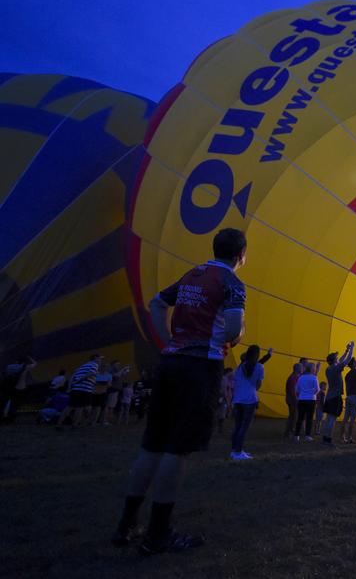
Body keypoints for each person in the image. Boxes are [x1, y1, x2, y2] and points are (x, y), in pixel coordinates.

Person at [112, 227, 247, 554]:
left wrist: (166, 341)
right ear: (241, 255)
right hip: (200, 368)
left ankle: (126, 525)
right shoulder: (231, 282)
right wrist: (234, 335)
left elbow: (158, 302)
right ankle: (158, 534)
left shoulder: (192, 275)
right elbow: (232, 329)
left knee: (152, 445)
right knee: (177, 450)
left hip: (171, 362)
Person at [230, 345, 264, 460]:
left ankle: (234, 450)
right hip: (250, 399)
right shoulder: (259, 367)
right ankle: (238, 452)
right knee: (244, 427)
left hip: (238, 399)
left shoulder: (239, 367)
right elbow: (258, 384)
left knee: (238, 426)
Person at [57, 354, 102, 429]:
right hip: (85, 389)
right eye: (99, 358)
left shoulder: (82, 366)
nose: (100, 360)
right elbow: (90, 374)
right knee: (80, 407)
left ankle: (59, 424)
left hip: (75, 389)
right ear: (95, 358)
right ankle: (75, 425)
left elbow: (72, 377)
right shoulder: (94, 364)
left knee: (69, 406)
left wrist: (70, 387)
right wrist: (80, 380)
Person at [322, 342, 354, 446]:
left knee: (328, 418)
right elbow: (348, 359)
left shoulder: (328, 369)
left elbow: (340, 360)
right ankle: (329, 439)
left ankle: (325, 437)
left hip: (329, 396)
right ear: (334, 360)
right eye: (336, 357)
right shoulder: (336, 369)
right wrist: (352, 348)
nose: (338, 358)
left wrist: (346, 350)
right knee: (332, 419)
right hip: (335, 397)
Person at [1, 355, 36, 424]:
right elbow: (35, 364)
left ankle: (4, 417)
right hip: (19, 388)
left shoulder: (9, 366)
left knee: (6, 403)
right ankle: (10, 418)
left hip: (8, 387)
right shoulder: (25, 367)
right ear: (23, 362)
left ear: (16, 361)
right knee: (15, 404)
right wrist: (29, 357)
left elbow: (5, 375)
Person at [294, 362, 320, 441]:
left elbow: (296, 389)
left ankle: (296, 435)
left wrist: (300, 395)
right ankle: (307, 435)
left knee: (300, 417)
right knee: (309, 418)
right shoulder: (314, 378)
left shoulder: (301, 377)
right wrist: (312, 394)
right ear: (312, 369)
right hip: (311, 400)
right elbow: (317, 389)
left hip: (302, 399)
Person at [284, 363, 302, 439]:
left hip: (292, 399)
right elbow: (292, 391)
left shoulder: (295, 377)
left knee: (293, 416)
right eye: (301, 368)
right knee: (293, 417)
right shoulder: (293, 378)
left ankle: (289, 432)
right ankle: (289, 433)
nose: (303, 369)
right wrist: (296, 400)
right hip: (292, 400)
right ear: (298, 369)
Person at [91, 362, 113, 426]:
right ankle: (92, 421)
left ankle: (100, 421)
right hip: (94, 392)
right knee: (94, 407)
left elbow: (109, 385)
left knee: (101, 407)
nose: (104, 368)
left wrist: (101, 384)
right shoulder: (96, 374)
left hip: (103, 393)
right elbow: (92, 382)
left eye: (105, 367)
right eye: (103, 366)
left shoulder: (109, 375)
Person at [217, 367, 234, 434]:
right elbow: (224, 391)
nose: (232, 374)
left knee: (222, 414)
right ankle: (220, 429)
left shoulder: (226, 379)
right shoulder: (224, 379)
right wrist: (227, 400)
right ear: (228, 372)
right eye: (232, 372)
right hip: (222, 399)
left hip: (222, 398)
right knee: (221, 414)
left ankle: (220, 429)